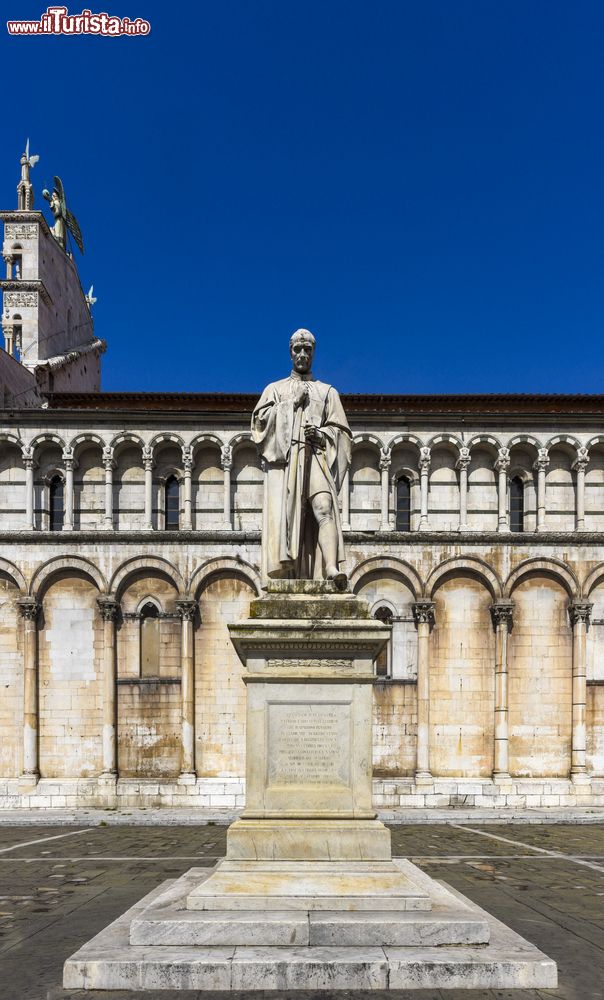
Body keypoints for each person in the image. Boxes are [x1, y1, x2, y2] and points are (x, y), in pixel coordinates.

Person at [251, 328, 351, 586]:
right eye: (298, 349)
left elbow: (342, 432)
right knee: (288, 517)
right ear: (290, 352)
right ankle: (289, 570)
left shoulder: (328, 392)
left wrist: (322, 434)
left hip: (317, 455)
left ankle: (330, 567)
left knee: (324, 508)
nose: (303, 354)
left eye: (308, 349)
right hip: (287, 461)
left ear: (314, 353)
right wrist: (291, 404)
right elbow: (259, 426)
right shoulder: (275, 390)